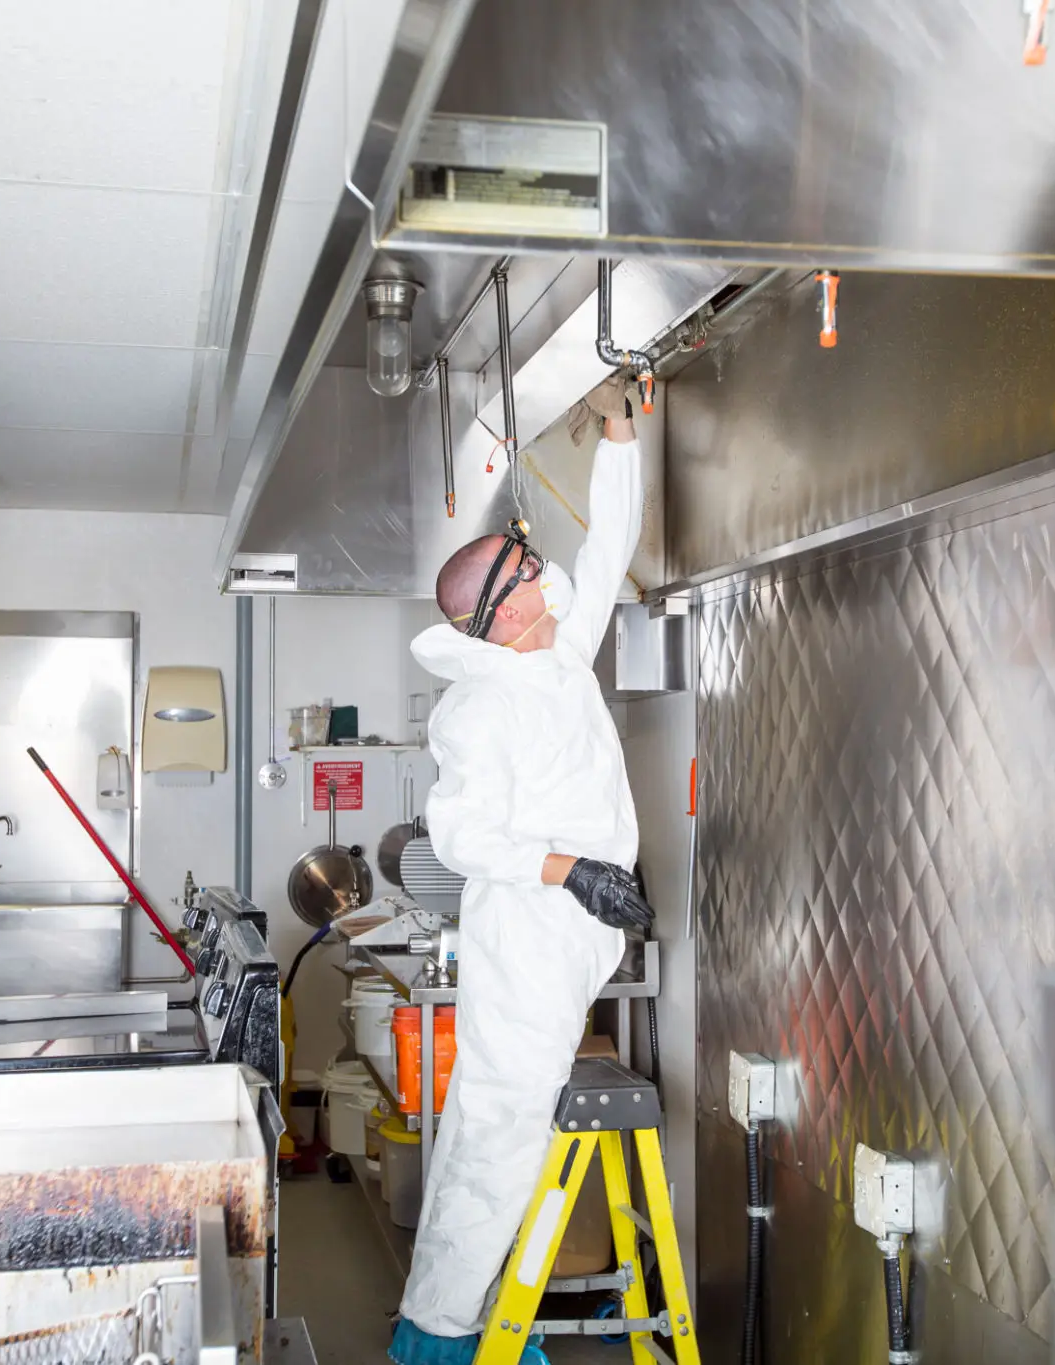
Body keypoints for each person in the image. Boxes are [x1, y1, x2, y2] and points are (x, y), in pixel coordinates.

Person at [389, 377, 657, 1365]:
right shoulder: (480, 705)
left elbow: (606, 546)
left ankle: (475, 1314)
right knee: (495, 1137)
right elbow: (457, 837)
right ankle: (440, 1340)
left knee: (509, 1131)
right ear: (505, 612)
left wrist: (622, 432)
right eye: (526, 564)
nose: (546, 568)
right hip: (532, 931)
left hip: (577, 926)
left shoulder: (554, 658)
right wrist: (572, 871)